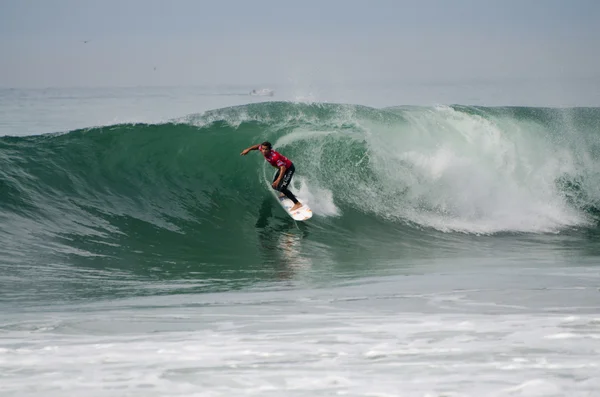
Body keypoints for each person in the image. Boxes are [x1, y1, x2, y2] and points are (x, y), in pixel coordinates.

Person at [240, 141, 303, 212]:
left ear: (270, 149)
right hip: (281, 168)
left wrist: (278, 180)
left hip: (288, 168)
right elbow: (258, 146)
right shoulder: (262, 149)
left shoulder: (275, 157)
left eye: (266, 149)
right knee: (274, 186)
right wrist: (248, 149)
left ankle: (297, 203)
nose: (263, 151)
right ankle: (285, 192)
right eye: (263, 149)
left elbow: (283, 168)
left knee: (282, 187)